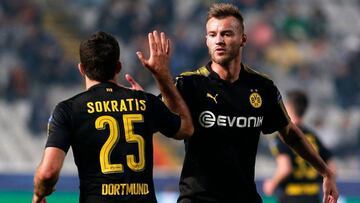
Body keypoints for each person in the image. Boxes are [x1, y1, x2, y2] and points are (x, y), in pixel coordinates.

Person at [169, 3, 338, 203]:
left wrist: (325, 172)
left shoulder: (262, 87)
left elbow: (290, 133)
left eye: (226, 34)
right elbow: (167, 121)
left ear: (243, 39)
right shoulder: (189, 84)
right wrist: (158, 83)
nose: (219, 41)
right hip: (198, 199)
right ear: (206, 40)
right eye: (212, 34)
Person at [32, 31, 193, 203]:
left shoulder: (68, 110)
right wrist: (162, 77)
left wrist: (39, 194)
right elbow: (186, 128)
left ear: (81, 69)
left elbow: (48, 173)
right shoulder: (145, 102)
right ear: (118, 67)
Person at [263, 90, 336, 203]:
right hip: (313, 196)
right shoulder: (313, 136)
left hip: (292, 196)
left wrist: (272, 184)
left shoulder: (285, 135)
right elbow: (332, 167)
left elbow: (285, 168)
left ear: (289, 107)